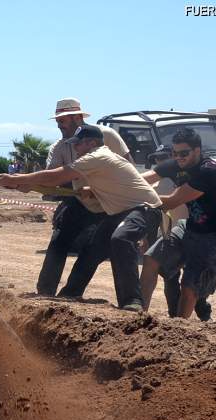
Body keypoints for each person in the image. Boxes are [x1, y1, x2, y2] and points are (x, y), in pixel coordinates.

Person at [0, 124, 162, 311]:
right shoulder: (100, 159)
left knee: (120, 239)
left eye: (78, 144)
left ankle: (132, 302)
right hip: (122, 211)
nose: (75, 148)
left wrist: (17, 179)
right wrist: (30, 184)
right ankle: (71, 293)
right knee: (93, 250)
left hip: (145, 208)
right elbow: (112, 182)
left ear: (92, 142)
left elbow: (58, 176)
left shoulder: (97, 156)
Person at [36, 98, 133, 297]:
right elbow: (52, 177)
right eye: (58, 120)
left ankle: (71, 292)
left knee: (95, 249)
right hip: (80, 201)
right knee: (59, 242)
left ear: (78, 118)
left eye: (62, 120)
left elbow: (128, 167)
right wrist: (29, 184)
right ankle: (45, 292)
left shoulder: (108, 136)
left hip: (109, 203)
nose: (58, 124)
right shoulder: (60, 147)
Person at [139, 127, 216, 319]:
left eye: (184, 153)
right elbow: (142, 181)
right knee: (152, 259)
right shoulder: (176, 164)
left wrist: (138, 198)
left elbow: (173, 200)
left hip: (214, 234)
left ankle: (179, 330)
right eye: (175, 153)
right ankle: (140, 315)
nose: (178, 158)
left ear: (197, 151)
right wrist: (113, 190)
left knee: (190, 286)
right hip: (190, 225)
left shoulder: (209, 171)